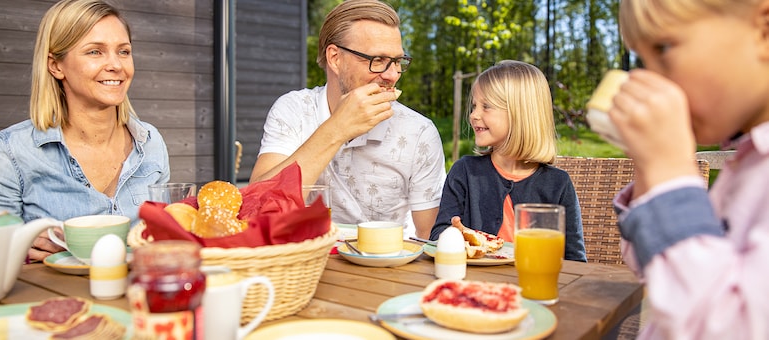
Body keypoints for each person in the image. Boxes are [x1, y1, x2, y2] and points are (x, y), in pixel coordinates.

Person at [610, 0, 769, 338]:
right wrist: (650, 169)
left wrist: (669, 174)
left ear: (764, 29)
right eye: (642, 60)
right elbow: (657, 269)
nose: (651, 80)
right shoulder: (749, 160)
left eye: (663, 48)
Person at [250, 0, 446, 239]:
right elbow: (256, 211)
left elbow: (431, 239)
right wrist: (337, 128)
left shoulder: (419, 132)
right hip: (302, 267)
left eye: (397, 61)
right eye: (378, 60)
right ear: (335, 58)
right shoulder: (293, 110)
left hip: (384, 270)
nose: (392, 75)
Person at [0, 0, 170, 262]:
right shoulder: (11, 152)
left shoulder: (150, 143)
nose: (116, 65)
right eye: (95, 52)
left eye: (123, 51)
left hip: (138, 297)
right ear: (56, 66)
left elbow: (163, 238)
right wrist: (18, 242)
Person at [429, 60, 587, 262]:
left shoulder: (557, 184)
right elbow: (437, 238)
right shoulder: (465, 171)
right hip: (474, 286)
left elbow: (574, 260)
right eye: (475, 106)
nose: (473, 115)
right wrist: (458, 236)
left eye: (486, 106)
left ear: (520, 114)